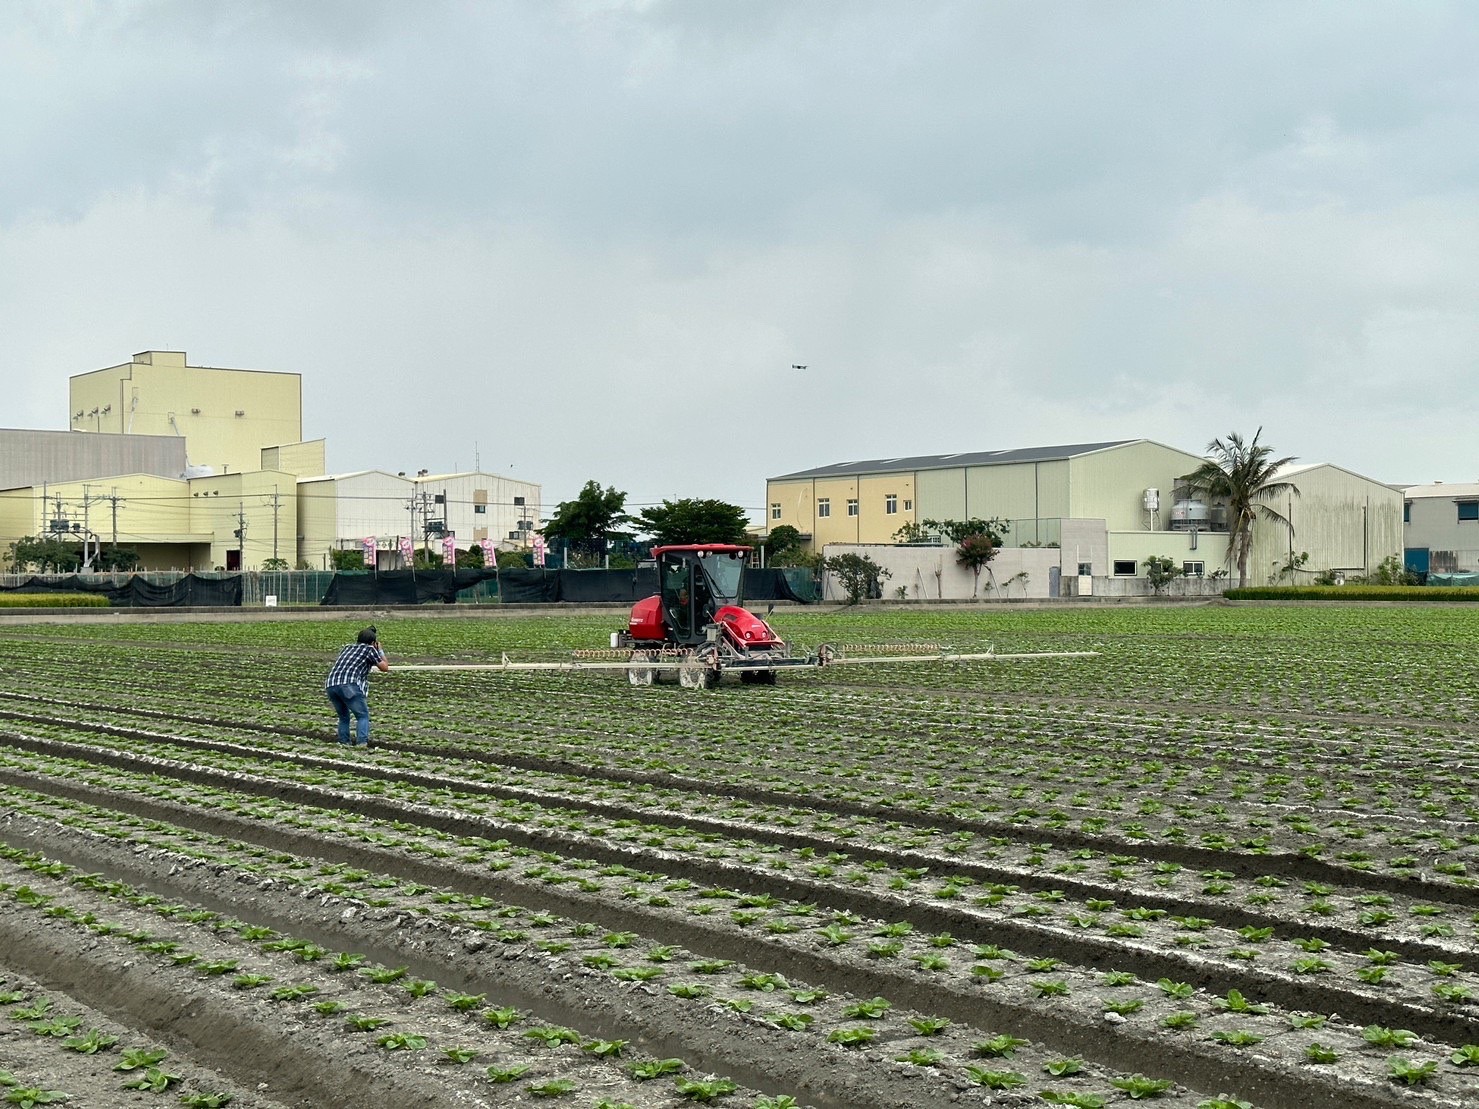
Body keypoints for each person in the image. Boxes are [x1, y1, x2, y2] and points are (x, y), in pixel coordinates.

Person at [325, 626, 389, 747]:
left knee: (344, 717)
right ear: (372, 642)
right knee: (362, 715)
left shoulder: (347, 648)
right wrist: (380, 650)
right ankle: (361, 743)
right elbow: (384, 667)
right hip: (349, 685)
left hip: (331, 684)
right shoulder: (370, 649)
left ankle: (344, 743)